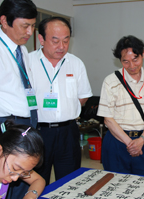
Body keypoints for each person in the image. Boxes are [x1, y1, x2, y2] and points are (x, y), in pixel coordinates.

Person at [29, 17, 92, 185]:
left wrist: (67, 109)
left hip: (68, 132)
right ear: (41, 39)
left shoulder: (76, 63)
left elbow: (83, 95)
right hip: (37, 132)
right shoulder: (28, 63)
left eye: (66, 41)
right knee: (36, 181)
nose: (62, 46)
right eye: (55, 41)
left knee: (69, 182)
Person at [97, 35, 144, 176]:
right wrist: (130, 143)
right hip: (117, 142)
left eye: (135, 60)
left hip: (143, 141)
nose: (132, 66)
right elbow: (108, 119)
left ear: (143, 54)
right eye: (125, 62)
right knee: (115, 185)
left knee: (142, 184)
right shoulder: (110, 81)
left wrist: (142, 139)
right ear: (119, 60)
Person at [0, 0, 38, 148]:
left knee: (20, 170)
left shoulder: (22, 49)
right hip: (1, 126)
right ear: (5, 21)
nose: (30, 32)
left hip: (24, 123)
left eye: (33, 26)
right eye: (25, 26)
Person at [0, 120, 45, 199]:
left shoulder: (8, 164)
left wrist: (30, 196)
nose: (15, 179)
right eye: (15, 168)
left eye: (23, 173)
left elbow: (38, 180)